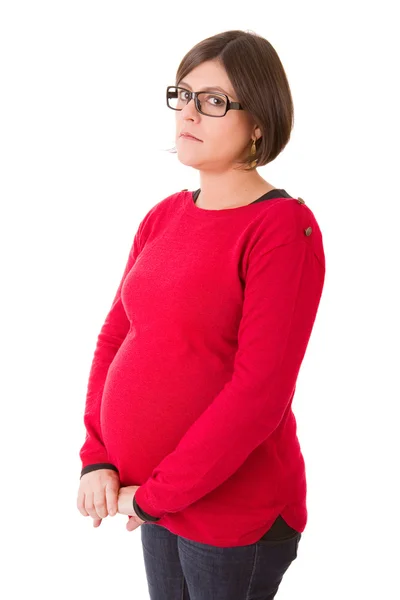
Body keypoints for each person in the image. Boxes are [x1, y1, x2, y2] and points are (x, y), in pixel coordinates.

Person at [77, 29, 326, 599]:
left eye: (214, 101)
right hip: (154, 497)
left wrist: (159, 493)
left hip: (231, 514)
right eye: (183, 94)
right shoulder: (163, 215)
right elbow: (115, 338)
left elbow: (259, 393)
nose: (189, 112)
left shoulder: (283, 229)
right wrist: (98, 457)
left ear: (258, 121)